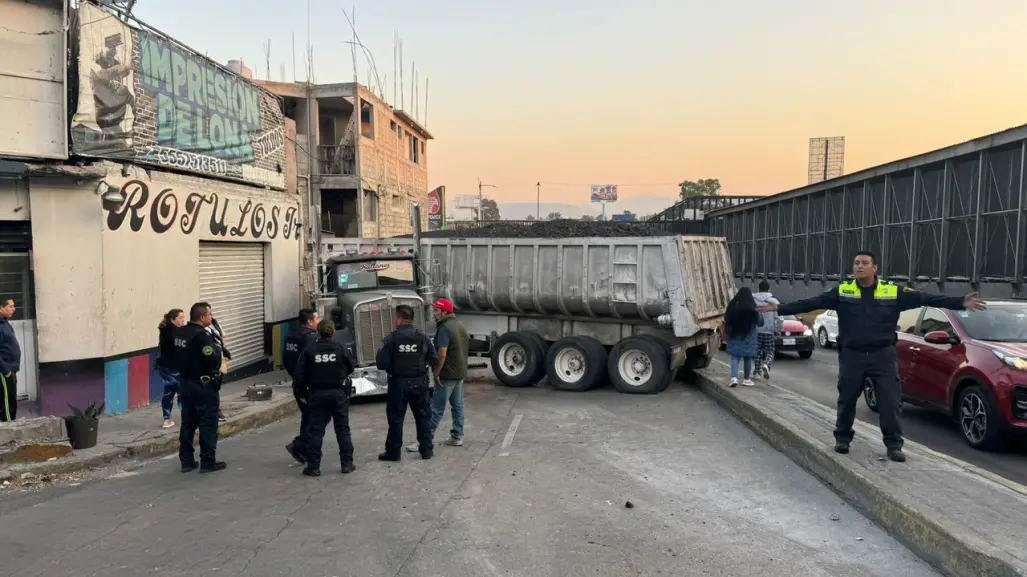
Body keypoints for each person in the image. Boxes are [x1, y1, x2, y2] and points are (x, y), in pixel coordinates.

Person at [760, 250, 985, 462]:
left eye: (864, 263)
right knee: (847, 399)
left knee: (890, 401)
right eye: (856, 263)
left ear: (874, 268)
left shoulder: (892, 291)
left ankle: (894, 445)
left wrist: (959, 302)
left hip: (882, 356)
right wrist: (780, 309)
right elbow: (811, 303)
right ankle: (842, 439)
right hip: (852, 355)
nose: (859, 266)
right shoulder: (843, 291)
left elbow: (926, 298)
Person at [376, 304, 438, 461]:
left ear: (400, 319)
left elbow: (381, 364)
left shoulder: (391, 339)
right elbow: (433, 359)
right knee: (423, 417)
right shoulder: (422, 338)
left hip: (398, 384)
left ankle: (393, 453)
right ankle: (426, 451)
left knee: (396, 419)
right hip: (419, 383)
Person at [294, 320, 355, 477]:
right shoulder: (340, 348)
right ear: (333, 332)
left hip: (317, 394)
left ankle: (313, 467)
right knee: (342, 429)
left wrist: (303, 394)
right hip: (338, 394)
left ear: (318, 333)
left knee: (316, 431)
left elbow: (299, 376)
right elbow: (351, 367)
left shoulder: (309, 350)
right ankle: (347, 464)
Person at [174, 302, 227, 474]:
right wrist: (218, 350)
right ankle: (207, 462)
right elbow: (212, 360)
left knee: (188, 423)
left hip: (185, 383)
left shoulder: (180, 333)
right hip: (203, 386)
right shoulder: (202, 336)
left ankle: (186, 461)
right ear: (202, 317)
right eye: (210, 314)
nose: (212, 317)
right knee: (208, 423)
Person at [283, 308, 320, 464]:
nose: (319, 321)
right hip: (309, 385)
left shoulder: (290, 336)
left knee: (308, 417)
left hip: (298, 384)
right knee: (315, 418)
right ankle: (299, 445)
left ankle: (303, 449)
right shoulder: (310, 338)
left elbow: (286, 360)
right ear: (309, 321)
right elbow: (312, 363)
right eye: (317, 318)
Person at [721, 287, 764, 387]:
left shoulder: (732, 305)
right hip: (749, 335)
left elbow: (726, 318)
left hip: (734, 334)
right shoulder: (753, 307)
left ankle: (734, 378)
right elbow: (760, 322)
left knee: (735, 357)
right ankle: (746, 379)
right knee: (747, 358)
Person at [157, 308, 187, 428]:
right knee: (182, 392)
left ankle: (167, 419)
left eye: (183, 317)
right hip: (175, 368)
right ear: (172, 319)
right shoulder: (176, 333)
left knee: (168, 392)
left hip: (164, 367)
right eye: (180, 318)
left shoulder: (165, 330)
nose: (183, 320)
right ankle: (186, 418)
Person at [206, 312, 231, 423]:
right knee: (211, 388)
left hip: (219, 359)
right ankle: (216, 411)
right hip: (210, 362)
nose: (211, 315)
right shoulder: (201, 330)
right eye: (209, 314)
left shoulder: (215, 325)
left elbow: (222, 340)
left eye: (212, 313)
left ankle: (214, 409)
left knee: (216, 386)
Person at [0, 299, 22, 423]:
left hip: (10, 369)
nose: (14, 309)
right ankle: (9, 428)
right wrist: (6, 371)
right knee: (8, 403)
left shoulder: (4, 323)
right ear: (1, 308)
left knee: (11, 400)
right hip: (5, 371)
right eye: (10, 306)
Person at [753, 281, 780, 380]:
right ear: (769, 289)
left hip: (756, 331)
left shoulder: (753, 301)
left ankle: (757, 372)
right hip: (769, 331)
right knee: (770, 351)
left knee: (757, 351)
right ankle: (766, 364)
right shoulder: (774, 301)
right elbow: (778, 318)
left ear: (758, 289)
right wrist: (778, 330)